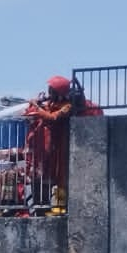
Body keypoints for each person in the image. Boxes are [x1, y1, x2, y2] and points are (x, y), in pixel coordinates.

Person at [23, 75, 80, 211]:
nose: (49, 93)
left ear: (59, 93)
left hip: (59, 145)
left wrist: (38, 108)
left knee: (61, 175)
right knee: (41, 175)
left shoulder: (67, 106)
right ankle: (41, 205)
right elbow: (29, 115)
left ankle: (60, 205)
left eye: (52, 90)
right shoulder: (49, 104)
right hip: (44, 147)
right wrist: (34, 104)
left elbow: (53, 117)